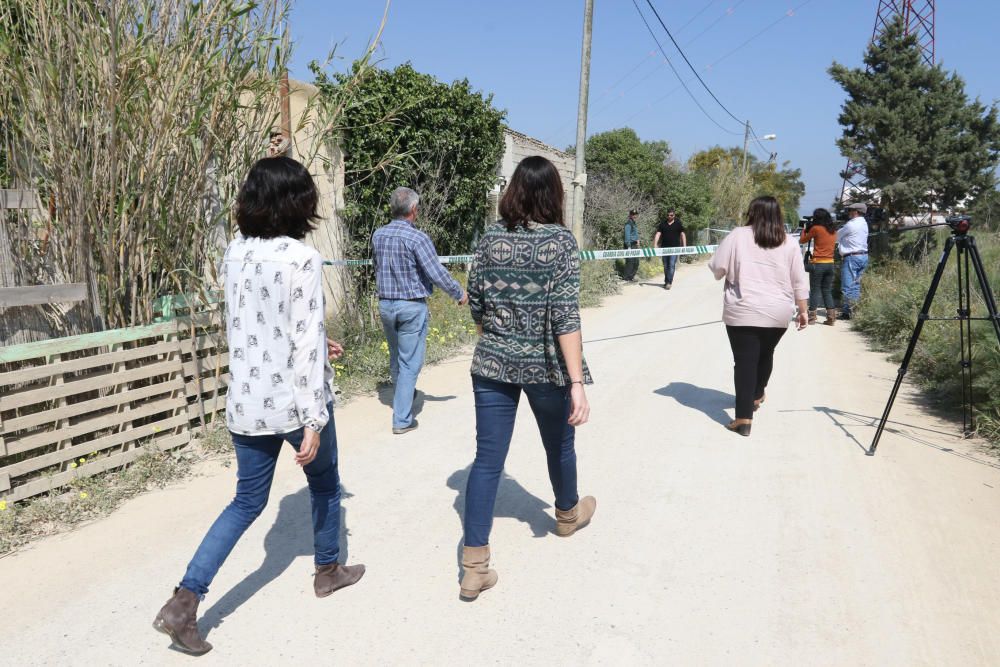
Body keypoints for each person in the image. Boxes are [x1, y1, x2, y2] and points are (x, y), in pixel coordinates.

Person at [153, 157, 365, 655]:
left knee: (246, 502)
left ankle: (184, 602)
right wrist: (314, 418)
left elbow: (259, 321)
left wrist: (320, 335)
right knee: (327, 485)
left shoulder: (235, 253)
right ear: (298, 202)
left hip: (247, 402)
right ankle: (328, 570)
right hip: (293, 401)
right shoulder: (302, 259)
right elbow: (301, 344)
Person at [460, 155, 596, 601]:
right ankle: (566, 515)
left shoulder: (489, 238)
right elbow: (564, 315)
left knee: (486, 461)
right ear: (553, 194)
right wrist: (576, 383)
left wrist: (497, 333)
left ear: (514, 191)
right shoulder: (560, 242)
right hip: (545, 367)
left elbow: (475, 300)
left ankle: (474, 565)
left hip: (493, 364)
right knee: (559, 444)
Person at [708, 196, 809, 437]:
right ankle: (756, 394)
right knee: (766, 353)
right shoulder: (789, 242)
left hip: (743, 309)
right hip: (778, 312)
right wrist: (803, 310)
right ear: (779, 216)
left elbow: (718, 269)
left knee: (744, 362)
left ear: (752, 212)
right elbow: (799, 279)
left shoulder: (737, 235)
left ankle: (743, 418)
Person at [372, 187, 468, 434]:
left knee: (396, 357)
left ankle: (404, 394)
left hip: (385, 304)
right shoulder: (418, 238)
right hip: (411, 306)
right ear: (413, 210)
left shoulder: (378, 235)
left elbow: (377, 267)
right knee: (410, 362)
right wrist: (459, 293)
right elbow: (436, 272)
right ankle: (402, 419)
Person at [799, 208, 839, 325]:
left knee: (815, 290)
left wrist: (805, 229)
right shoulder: (833, 230)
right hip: (830, 264)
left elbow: (802, 240)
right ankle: (831, 318)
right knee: (827, 290)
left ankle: (811, 318)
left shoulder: (816, 229)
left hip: (818, 263)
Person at [837, 202, 869, 320]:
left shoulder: (851, 225)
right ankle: (853, 310)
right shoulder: (864, 223)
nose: (848, 213)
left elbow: (836, 237)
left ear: (856, 212)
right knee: (856, 285)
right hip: (863, 256)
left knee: (847, 285)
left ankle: (846, 312)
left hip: (852, 257)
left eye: (850, 211)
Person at [653, 208, 685, 289]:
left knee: (671, 265)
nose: (669, 216)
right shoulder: (663, 224)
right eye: (668, 215)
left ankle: (669, 282)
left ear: (674, 215)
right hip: (664, 248)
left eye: (671, 215)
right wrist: (655, 245)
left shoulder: (678, 223)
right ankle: (666, 280)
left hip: (675, 248)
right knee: (666, 265)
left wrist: (684, 246)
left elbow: (682, 234)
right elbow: (658, 234)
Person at [622, 208, 640, 282]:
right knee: (630, 261)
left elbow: (634, 234)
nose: (634, 216)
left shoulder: (633, 223)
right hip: (630, 245)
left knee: (636, 261)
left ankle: (631, 276)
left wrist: (637, 240)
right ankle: (627, 278)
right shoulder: (628, 224)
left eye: (635, 214)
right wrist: (628, 246)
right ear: (630, 215)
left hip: (634, 244)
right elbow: (627, 236)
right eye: (633, 214)